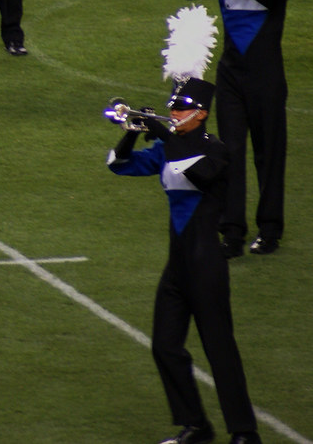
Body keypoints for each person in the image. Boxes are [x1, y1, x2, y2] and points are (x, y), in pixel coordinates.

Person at [107, 76, 262, 444]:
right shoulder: (170, 146)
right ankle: (196, 425)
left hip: (207, 263)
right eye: (172, 107)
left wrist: (164, 134)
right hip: (177, 265)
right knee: (164, 345)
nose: (174, 113)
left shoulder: (216, 150)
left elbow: (193, 174)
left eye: (181, 109)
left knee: (219, 348)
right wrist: (132, 131)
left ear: (202, 114)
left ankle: (244, 431)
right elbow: (119, 165)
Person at [176, 0, 295, 257]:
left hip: (265, 77)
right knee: (229, 153)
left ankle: (270, 229)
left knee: (268, 155)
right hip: (230, 75)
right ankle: (231, 231)